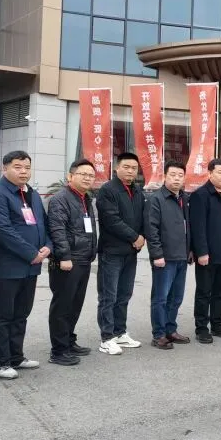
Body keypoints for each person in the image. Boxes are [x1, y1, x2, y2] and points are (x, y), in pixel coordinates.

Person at [0, 151, 50, 379]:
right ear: (5, 168)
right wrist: (31, 253)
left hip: (31, 267)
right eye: (18, 167)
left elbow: (44, 224)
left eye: (27, 167)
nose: (23, 172)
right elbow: (2, 230)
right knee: (1, 315)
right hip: (6, 267)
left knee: (21, 314)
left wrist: (48, 247)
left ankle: (15, 356)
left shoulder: (32, 194)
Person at [46, 159, 99, 366]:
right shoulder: (61, 199)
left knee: (75, 304)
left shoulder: (85, 198)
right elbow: (57, 229)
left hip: (83, 259)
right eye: (83, 174)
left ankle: (68, 340)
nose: (87, 178)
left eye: (91, 175)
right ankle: (58, 350)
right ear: (70, 176)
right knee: (62, 306)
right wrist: (64, 257)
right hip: (68, 261)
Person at [94, 152, 146, 355]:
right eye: (126, 167)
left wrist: (142, 236)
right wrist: (135, 237)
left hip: (131, 252)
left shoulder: (137, 190)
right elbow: (111, 220)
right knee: (109, 296)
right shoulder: (108, 190)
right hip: (112, 251)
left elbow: (143, 217)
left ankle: (120, 332)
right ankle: (106, 337)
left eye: (134, 168)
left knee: (124, 294)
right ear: (117, 168)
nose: (130, 171)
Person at [189, 159, 221, 343]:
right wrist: (201, 252)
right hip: (209, 253)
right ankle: (201, 328)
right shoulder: (201, 195)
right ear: (210, 173)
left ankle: (217, 324)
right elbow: (198, 227)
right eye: (220, 172)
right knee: (204, 291)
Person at [145, 161, 192, 349]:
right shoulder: (156, 199)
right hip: (164, 258)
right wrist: (157, 254)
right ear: (165, 176)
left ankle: (170, 329)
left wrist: (190, 250)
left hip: (181, 256)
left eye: (180, 175)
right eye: (173, 175)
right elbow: (152, 229)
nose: (177, 179)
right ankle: (158, 334)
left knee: (176, 297)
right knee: (161, 298)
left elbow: (189, 227)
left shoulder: (184, 198)